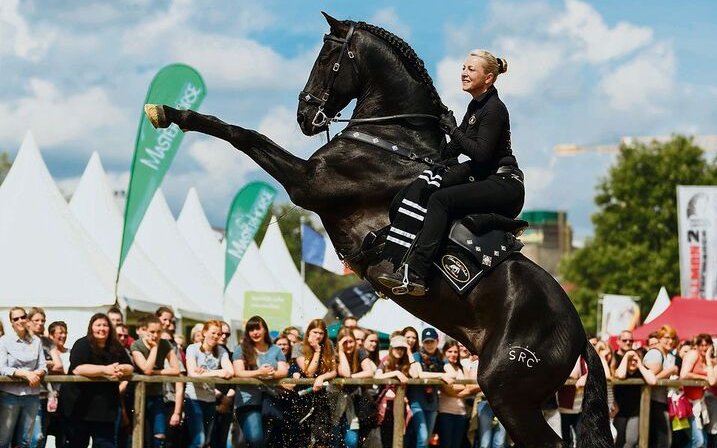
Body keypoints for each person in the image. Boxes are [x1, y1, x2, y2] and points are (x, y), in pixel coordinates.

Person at [379, 49, 523, 296]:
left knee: (440, 200)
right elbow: (450, 153)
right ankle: (399, 257)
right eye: (464, 68)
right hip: (486, 178)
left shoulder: (494, 109)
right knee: (430, 186)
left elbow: (481, 154)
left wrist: (455, 130)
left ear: (488, 78)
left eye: (471, 69)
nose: (464, 73)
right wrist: (438, 128)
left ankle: (417, 273)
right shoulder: (476, 106)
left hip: (505, 184)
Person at [59, 313, 133, 448]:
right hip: (79, 405)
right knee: (77, 443)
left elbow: (129, 366)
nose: (102, 328)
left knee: (106, 444)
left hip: (105, 408)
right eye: (98, 325)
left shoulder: (115, 345)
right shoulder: (82, 344)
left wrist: (121, 368)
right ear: (91, 327)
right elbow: (78, 369)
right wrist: (105, 370)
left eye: (105, 325)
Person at [232, 316, 288, 447]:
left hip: (271, 400)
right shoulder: (241, 349)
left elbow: (283, 371)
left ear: (265, 330)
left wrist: (271, 374)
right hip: (248, 401)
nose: (255, 332)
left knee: (270, 441)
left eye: (258, 328)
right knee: (255, 439)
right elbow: (238, 372)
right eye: (251, 329)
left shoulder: (276, 349)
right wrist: (259, 373)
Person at [130, 315, 180, 448]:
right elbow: (146, 369)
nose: (156, 335)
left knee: (160, 433)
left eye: (159, 332)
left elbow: (176, 369)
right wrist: (154, 349)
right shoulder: (136, 345)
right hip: (138, 396)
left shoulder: (165, 343)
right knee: (142, 434)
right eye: (152, 332)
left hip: (157, 394)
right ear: (144, 331)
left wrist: (156, 372)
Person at [0, 307, 47, 448]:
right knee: (4, 439)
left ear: (27, 319)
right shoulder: (4, 341)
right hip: (10, 395)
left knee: (28, 440)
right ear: (11, 322)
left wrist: (37, 373)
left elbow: (43, 366)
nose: (20, 320)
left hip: (31, 395)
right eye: (16, 319)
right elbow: (2, 368)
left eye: (22, 317)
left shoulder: (36, 341)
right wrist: (26, 374)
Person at [184, 320, 234, 448]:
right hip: (193, 399)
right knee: (198, 441)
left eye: (219, 334)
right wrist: (217, 372)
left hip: (210, 400)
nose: (216, 336)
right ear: (204, 332)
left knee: (206, 442)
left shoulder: (221, 350)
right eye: (213, 333)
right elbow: (192, 373)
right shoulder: (192, 348)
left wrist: (207, 372)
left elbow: (230, 372)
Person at [291, 319, 338, 448]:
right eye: (315, 332)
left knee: (322, 437)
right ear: (308, 332)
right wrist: (317, 351)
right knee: (302, 437)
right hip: (302, 395)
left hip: (321, 395)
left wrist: (322, 377)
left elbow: (334, 371)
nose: (318, 336)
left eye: (321, 333)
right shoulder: (298, 347)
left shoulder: (329, 346)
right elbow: (309, 372)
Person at [407, 328, 452, 448]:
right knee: (422, 437)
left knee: (426, 440)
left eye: (432, 341)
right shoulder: (417, 355)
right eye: (426, 342)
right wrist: (442, 375)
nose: (429, 344)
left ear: (437, 341)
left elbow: (452, 373)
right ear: (422, 343)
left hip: (432, 404)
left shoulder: (441, 356)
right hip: (417, 402)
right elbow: (420, 374)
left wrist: (445, 374)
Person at [374, 335, 422, 446]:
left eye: (402, 348)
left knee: (400, 438)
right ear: (391, 348)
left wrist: (409, 353)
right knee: (387, 438)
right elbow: (377, 376)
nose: (400, 351)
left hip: (402, 404)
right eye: (397, 348)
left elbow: (415, 375)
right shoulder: (386, 359)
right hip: (386, 406)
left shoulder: (406, 362)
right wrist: (396, 373)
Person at [336, 326, 376, 448]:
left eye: (351, 341)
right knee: (335, 441)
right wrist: (341, 352)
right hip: (335, 402)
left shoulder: (360, 352)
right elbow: (345, 373)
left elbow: (369, 372)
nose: (348, 345)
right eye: (345, 342)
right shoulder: (335, 354)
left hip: (354, 404)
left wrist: (351, 377)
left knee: (352, 442)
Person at [644, 325, 680, 448]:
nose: (670, 341)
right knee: (663, 442)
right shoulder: (655, 353)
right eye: (667, 337)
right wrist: (671, 370)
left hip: (662, 402)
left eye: (673, 338)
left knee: (663, 441)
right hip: (653, 402)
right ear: (659, 338)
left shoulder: (666, 354)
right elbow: (649, 379)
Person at [613, 349, 657, 448]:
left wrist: (640, 364)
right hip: (619, 412)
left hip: (635, 413)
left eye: (635, 360)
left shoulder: (642, 370)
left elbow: (653, 381)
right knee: (618, 441)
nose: (633, 362)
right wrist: (627, 355)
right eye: (630, 360)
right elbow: (621, 375)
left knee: (631, 441)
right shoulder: (619, 368)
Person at [680, 333, 713, 448]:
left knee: (703, 442)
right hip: (687, 404)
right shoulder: (693, 354)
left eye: (707, 345)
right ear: (697, 346)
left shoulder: (707, 360)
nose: (704, 348)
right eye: (701, 345)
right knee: (698, 441)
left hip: (700, 404)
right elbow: (683, 375)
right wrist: (703, 378)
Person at [436, 340, 472, 448]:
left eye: (455, 352)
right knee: (446, 444)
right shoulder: (441, 367)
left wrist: (456, 389)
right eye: (450, 351)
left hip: (461, 413)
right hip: (445, 412)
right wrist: (463, 388)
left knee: (457, 445)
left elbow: (470, 386)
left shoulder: (462, 368)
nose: (453, 354)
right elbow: (446, 388)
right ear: (444, 352)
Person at [212, 321, 235, 448]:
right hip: (208, 400)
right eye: (221, 333)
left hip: (227, 403)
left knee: (221, 441)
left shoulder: (231, 355)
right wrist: (221, 397)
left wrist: (227, 400)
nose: (224, 336)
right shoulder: (205, 352)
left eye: (227, 334)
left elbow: (235, 381)